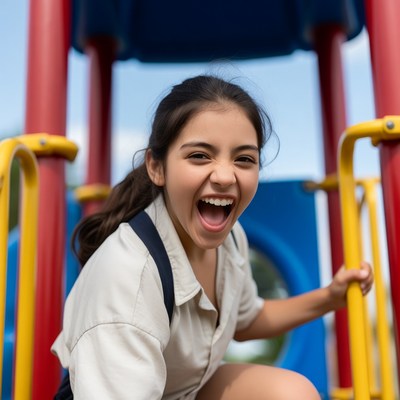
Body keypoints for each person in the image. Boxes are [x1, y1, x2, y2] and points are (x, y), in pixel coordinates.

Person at [51, 74, 373, 399]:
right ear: (156, 167)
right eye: (199, 156)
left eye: (244, 159)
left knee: (292, 393)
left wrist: (330, 297)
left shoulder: (231, 240)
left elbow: (246, 320)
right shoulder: (126, 278)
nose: (224, 175)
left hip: (181, 392)